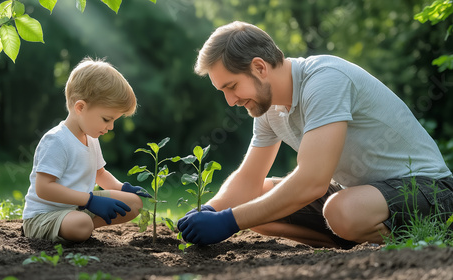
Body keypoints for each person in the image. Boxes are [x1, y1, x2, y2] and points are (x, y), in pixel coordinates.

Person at [177, 21, 453, 248]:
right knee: (254, 203)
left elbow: (312, 181)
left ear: (259, 67)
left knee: (342, 210)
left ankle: (424, 242)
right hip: (359, 194)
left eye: (232, 86)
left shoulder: (325, 80)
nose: (230, 100)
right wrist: (209, 211)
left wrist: (229, 222)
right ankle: (351, 242)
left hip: (427, 189)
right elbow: (249, 180)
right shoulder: (268, 107)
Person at [22, 57, 151, 243]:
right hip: (45, 216)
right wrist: (89, 201)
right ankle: (78, 227)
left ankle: (80, 227)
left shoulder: (91, 138)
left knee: (133, 204)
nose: (111, 127)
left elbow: (100, 173)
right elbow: (43, 188)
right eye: (107, 119)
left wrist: (122, 188)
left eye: (114, 120)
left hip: (77, 207)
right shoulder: (57, 140)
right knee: (80, 223)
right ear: (80, 107)